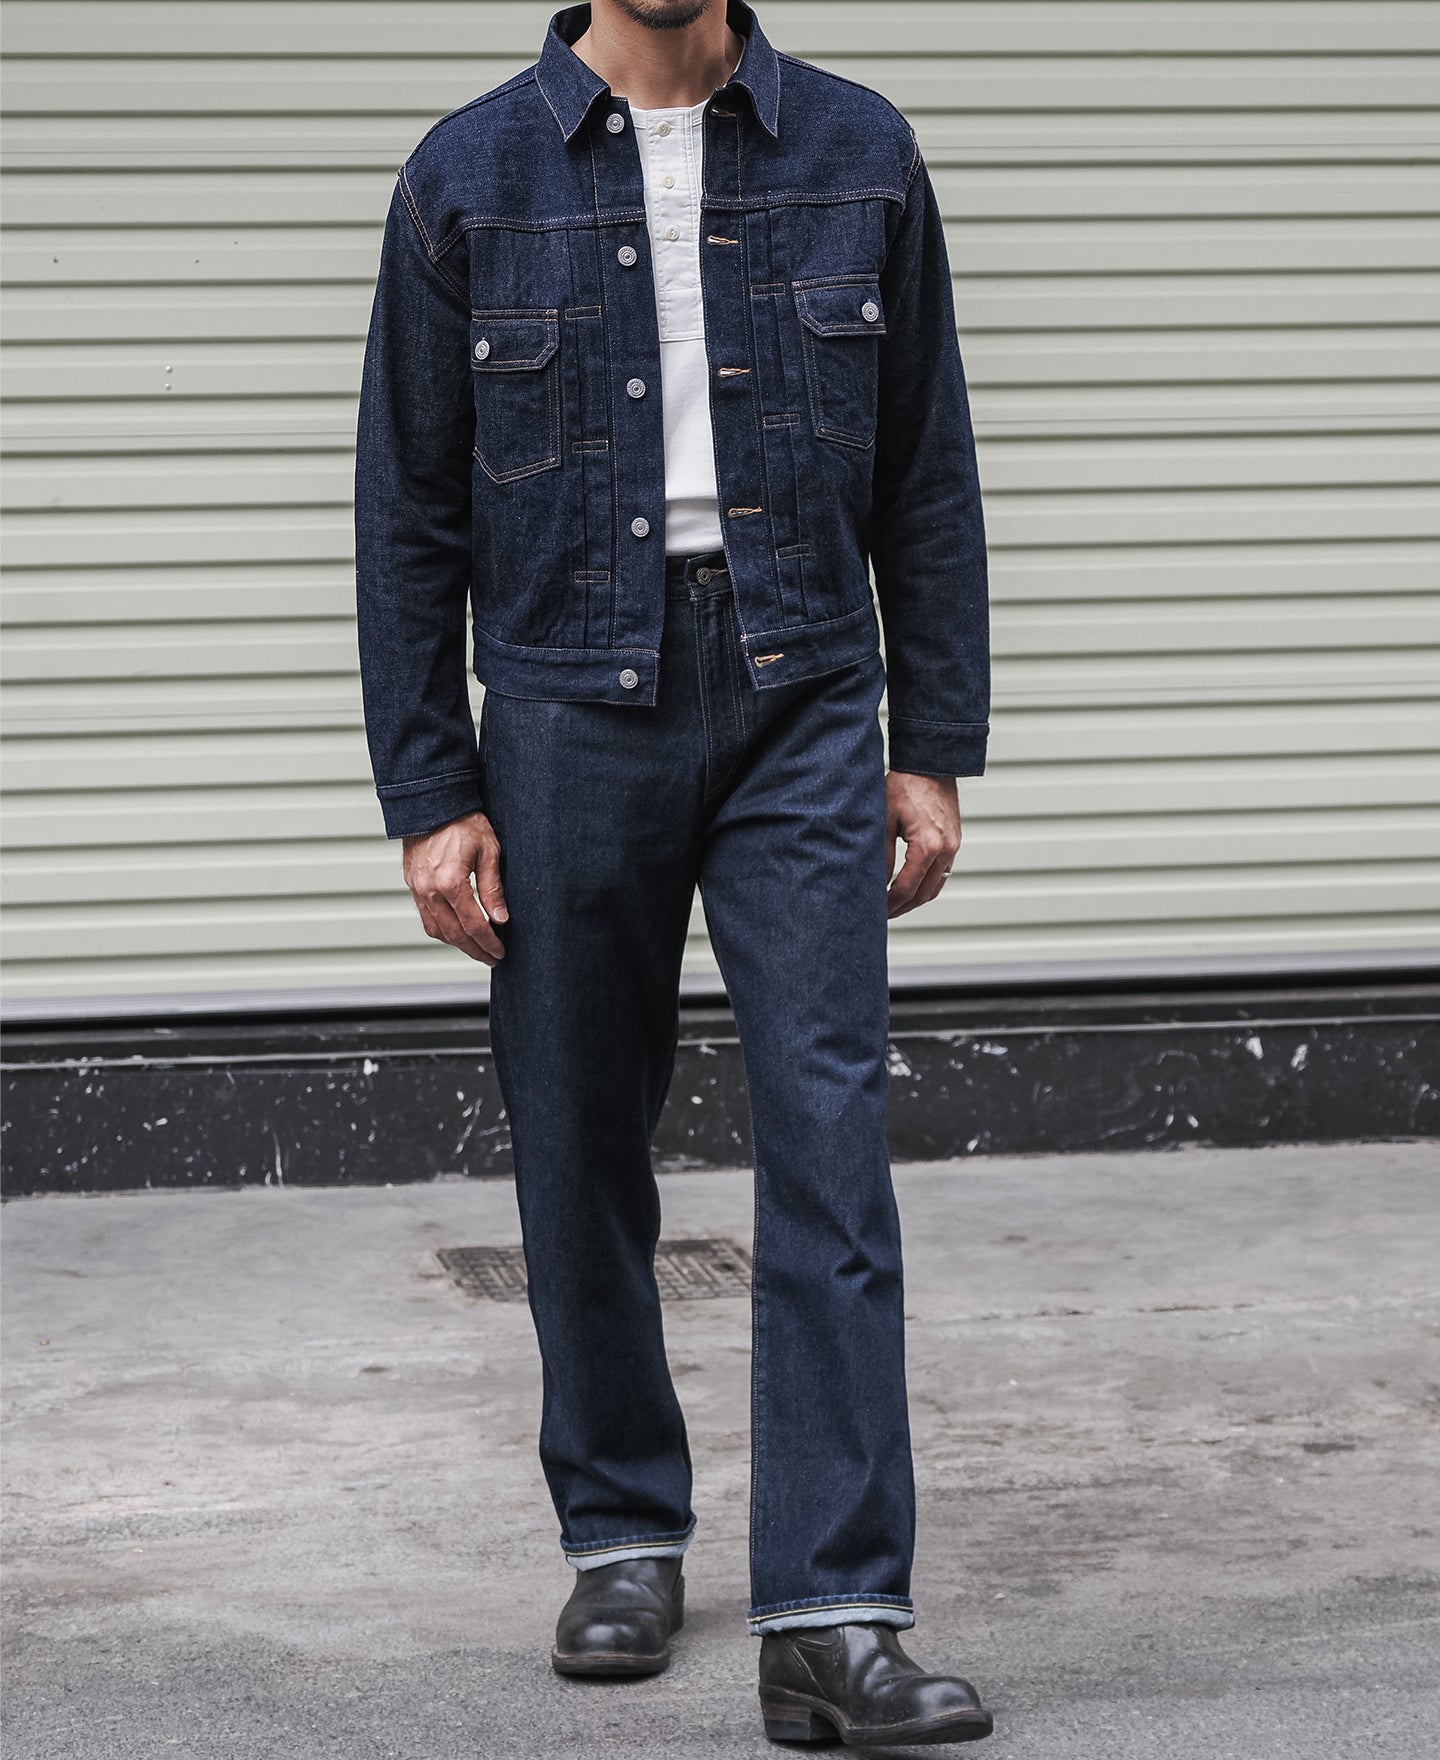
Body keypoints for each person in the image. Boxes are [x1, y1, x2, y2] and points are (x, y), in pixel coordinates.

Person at [355, 0, 993, 1744]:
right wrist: (432, 787)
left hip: (805, 694)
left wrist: (932, 740)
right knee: (575, 1133)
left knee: (831, 1142)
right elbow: (407, 511)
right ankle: (623, 1530)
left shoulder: (861, 152)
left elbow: (927, 466)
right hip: (568, 704)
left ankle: (834, 1617)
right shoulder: (465, 179)